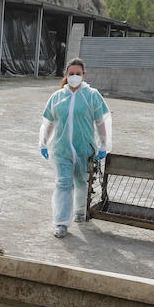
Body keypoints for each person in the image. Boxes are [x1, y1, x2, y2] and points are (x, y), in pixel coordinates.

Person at [39, 58, 111, 238]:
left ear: (84, 75)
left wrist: (104, 144)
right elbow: (49, 122)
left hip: (84, 149)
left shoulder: (92, 96)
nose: (74, 77)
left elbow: (101, 121)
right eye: (71, 74)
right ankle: (61, 222)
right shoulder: (57, 97)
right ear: (66, 75)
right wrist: (43, 141)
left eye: (78, 74)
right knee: (63, 183)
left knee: (82, 182)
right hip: (61, 149)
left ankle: (80, 211)